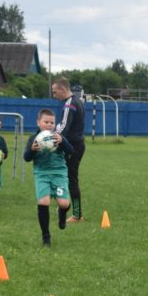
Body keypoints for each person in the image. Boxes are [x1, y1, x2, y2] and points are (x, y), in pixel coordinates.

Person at [24, 109, 75, 246]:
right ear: (38, 122)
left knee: (64, 204)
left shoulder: (57, 137)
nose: (49, 125)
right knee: (43, 202)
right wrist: (32, 150)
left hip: (59, 173)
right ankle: (46, 236)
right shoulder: (34, 139)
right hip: (41, 173)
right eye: (46, 122)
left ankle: (62, 214)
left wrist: (62, 142)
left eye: (52, 122)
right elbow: (26, 158)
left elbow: (71, 151)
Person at [51, 77, 87, 223]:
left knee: (71, 179)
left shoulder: (69, 104)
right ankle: (64, 206)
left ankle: (77, 215)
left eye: (55, 92)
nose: (54, 95)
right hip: (76, 145)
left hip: (72, 147)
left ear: (62, 89)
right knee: (64, 177)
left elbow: (64, 127)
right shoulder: (78, 101)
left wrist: (49, 137)